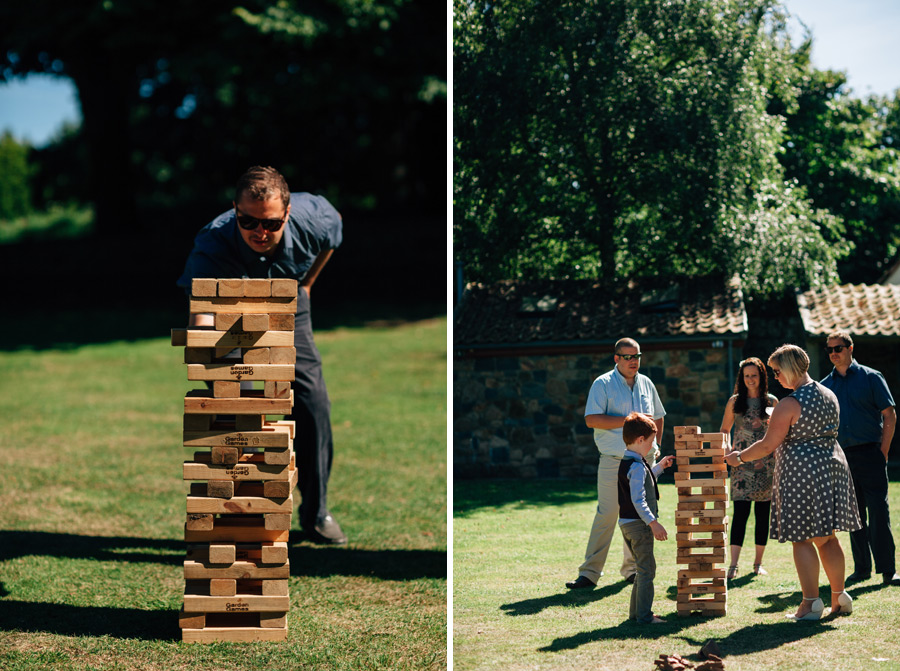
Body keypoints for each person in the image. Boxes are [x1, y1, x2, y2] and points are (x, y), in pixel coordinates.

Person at [177, 165, 347, 545]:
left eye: (270, 224)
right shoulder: (213, 242)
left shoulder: (314, 220)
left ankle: (317, 511)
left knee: (313, 401)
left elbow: (333, 233)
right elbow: (201, 311)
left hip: (289, 302)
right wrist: (223, 371)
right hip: (227, 316)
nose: (259, 232)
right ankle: (245, 511)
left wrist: (305, 286)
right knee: (239, 408)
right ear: (234, 210)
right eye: (247, 221)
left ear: (286, 214)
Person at [725, 344, 861, 620]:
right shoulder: (828, 393)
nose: (774, 377)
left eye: (776, 371)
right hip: (832, 467)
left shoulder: (790, 403)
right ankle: (839, 596)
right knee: (828, 537)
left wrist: (738, 458)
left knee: (802, 538)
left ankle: (810, 603)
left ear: (788, 368)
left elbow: (766, 445)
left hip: (802, 473)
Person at [566, 337, 666, 590]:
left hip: (644, 460)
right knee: (608, 514)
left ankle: (632, 570)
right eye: (628, 357)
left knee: (638, 515)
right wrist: (628, 421)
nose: (634, 361)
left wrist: (657, 445)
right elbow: (591, 420)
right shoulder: (603, 384)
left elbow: (658, 417)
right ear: (616, 359)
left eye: (637, 356)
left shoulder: (646, 383)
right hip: (613, 460)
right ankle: (589, 574)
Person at [820, 331, 899, 585]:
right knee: (854, 516)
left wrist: (883, 452)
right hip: (842, 458)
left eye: (839, 348)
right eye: (830, 349)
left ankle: (888, 570)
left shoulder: (872, 377)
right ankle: (862, 569)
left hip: (871, 453)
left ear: (851, 348)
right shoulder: (825, 386)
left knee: (878, 511)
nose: (834, 353)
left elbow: (890, 415)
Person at [720, 357, 779, 579]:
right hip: (740, 466)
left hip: (767, 466)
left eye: (754, 375)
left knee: (763, 514)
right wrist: (727, 450)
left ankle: (757, 563)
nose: (750, 379)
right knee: (741, 514)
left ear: (762, 376)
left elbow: (779, 431)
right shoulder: (735, 401)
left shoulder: (773, 402)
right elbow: (725, 429)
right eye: (747, 376)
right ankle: (733, 565)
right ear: (741, 378)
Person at [618, 412, 675, 623]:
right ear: (640, 440)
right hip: (639, 525)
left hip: (626, 523)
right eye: (651, 442)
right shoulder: (636, 466)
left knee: (641, 571)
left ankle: (636, 614)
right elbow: (638, 499)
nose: (652, 446)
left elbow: (644, 479)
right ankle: (644, 616)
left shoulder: (629, 461)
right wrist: (653, 523)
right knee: (647, 570)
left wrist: (659, 467)